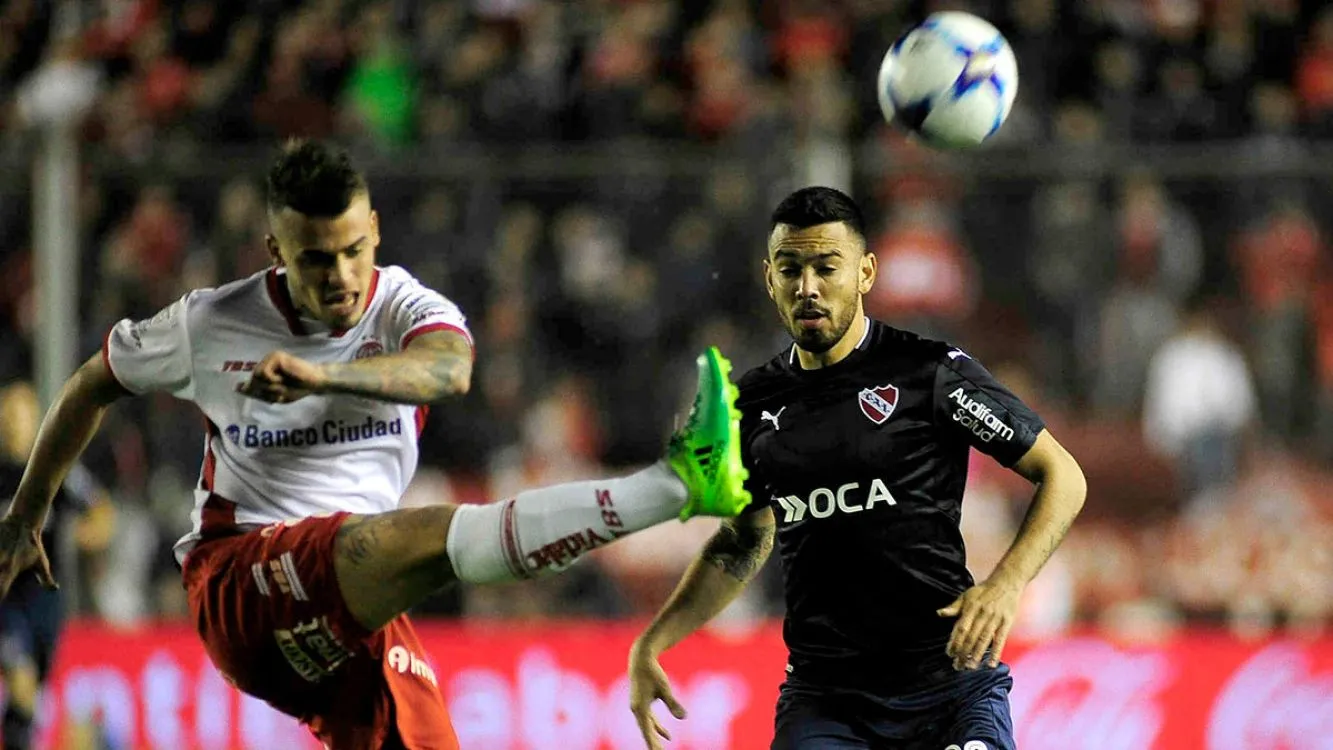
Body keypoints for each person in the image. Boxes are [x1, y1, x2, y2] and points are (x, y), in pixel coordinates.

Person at [0, 140, 752, 750]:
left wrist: (324, 378)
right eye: (316, 259)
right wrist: (26, 514)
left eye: (354, 250)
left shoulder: (404, 305)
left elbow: (448, 370)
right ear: (275, 250)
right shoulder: (208, 324)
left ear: (376, 230)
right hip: (240, 581)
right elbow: (91, 384)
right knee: (423, 533)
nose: (341, 276)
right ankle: (679, 484)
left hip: (349, 615)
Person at [627, 187, 1087, 750]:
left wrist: (1008, 584)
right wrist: (652, 644)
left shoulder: (929, 374)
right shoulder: (745, 408)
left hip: (948, 686)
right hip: (827, 705)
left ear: (866, 273)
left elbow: (1063, 475)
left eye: (827, 267)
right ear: (769, 278)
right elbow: (744, 541)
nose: (808, 287)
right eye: (790, 269)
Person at [0, 382, 114, 750]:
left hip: (46, 602)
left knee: (33, 698)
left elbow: (101, 512)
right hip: (6, 601)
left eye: (22, 414)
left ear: (36, 420)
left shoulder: (53, 468)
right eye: (8, 415)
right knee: (20, 680)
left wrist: (82, 533)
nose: (14, 423)